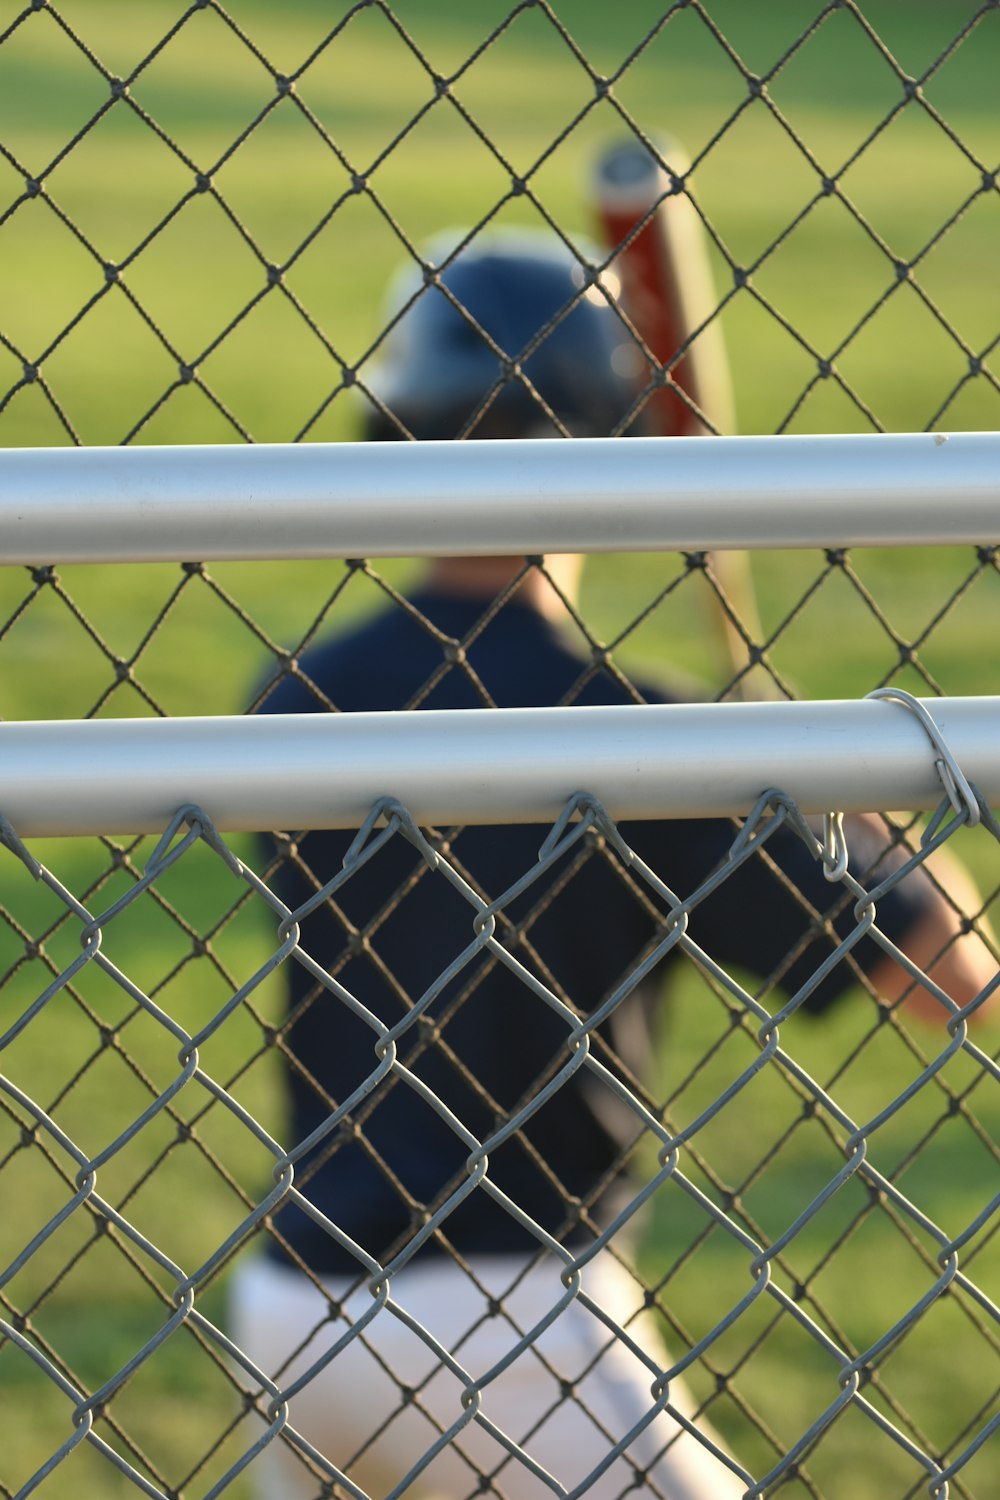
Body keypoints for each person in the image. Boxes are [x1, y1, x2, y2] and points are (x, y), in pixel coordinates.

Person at [231, 233, 995, 1500]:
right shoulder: (645, 748)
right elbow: (949, 978)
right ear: (608, 440)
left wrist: (762, 771)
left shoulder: (301, 697)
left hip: (292, 1308)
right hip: (515, 1315)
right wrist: (836, 797)